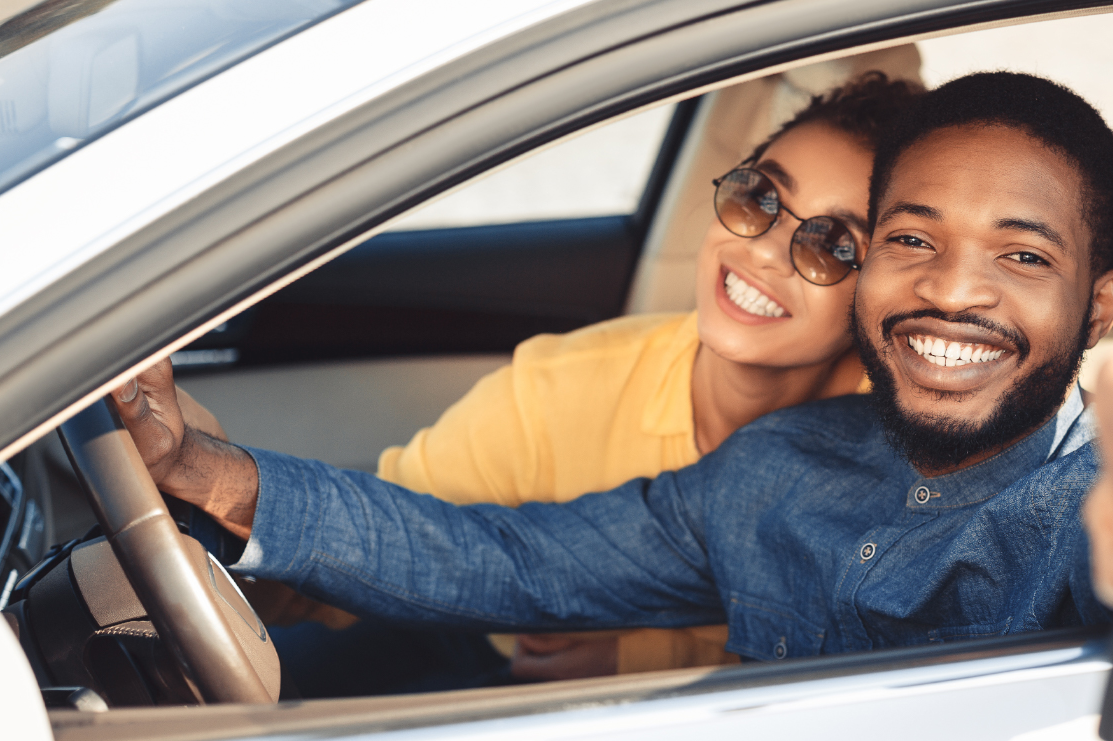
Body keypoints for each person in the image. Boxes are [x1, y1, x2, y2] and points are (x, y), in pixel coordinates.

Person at [115, 72, 1113, 662]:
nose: (952, 289)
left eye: (1021, 257)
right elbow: (507, 559)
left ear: (1101, 303)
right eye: (909, 240)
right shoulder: (770, 472)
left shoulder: (1098, 493)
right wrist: (214, 474)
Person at [261, 72, 923, 694]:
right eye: (760, 198)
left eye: (832, 246)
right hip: (484, 652)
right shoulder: (561, 386)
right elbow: (380, 537)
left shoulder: (910, 461)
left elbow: (882, 668)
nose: (762, 250)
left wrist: (644, 662)